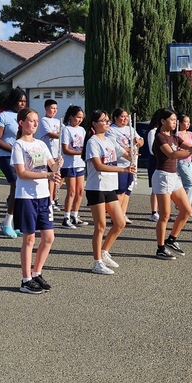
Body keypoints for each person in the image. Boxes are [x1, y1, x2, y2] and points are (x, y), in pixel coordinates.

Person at [11, 107, 58, 294]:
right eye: (31, 120)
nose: (35, 124)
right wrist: (47, 174)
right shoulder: (19, 145)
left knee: (49, 237)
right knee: (29, 239)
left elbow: (51, 164)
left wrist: (56, 169)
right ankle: (25, 279)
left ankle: (37, 272)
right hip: (26, 197)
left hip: (43, 196)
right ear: (21, 123)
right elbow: (21, 173)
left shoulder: (41, 144)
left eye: (37, 120)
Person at [150, 108, 192, 261]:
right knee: (165, 215)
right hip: (162, 176)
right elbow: (172, 154)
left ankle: (171, 240)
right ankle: (160, 248)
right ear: (163, 121)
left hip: (173, 177)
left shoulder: (175, 137)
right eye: (172, 120)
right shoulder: (160, 138)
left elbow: (190, 147)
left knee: (187, 210)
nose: (175, 123)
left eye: (176, 120)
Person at [83, 110, 131, 274]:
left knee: (120, 222)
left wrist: (135, 148)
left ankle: (104, 252)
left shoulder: (111, 141)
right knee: (100, 226)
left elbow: (127, 154)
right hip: (96, 187)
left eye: (108, 120)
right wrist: (123, 169)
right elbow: (98, 166)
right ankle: (97, 263)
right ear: (94, 124)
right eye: (103, 120)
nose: (107, 122)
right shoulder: (92, 142)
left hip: (109, 186)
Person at [0, 89, 27, 237]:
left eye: (24, 101)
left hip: (22, 157)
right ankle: (7, 222)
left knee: (20, 189)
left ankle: (15, 222)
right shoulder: (3, 116)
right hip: (6, 157)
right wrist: (14, 149)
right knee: (16, 185)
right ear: (13, 100)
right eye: (20, 101)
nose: (22, 104)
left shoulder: (25, 116)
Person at [107, 108, 143, 220]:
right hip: (119, 164)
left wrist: (139, 142)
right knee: (120, 190)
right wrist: (129, 149)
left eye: (126, 116)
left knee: (127, 190)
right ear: (115, 118)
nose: (125, 119)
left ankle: (122, 214)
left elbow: (141, 141)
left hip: (131, 163)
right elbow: (113, 145)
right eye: (122, 116)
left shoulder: (130, 128)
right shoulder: (111, 130)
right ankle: (115, 215)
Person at [60, 105, 86, 226]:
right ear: (71, 117)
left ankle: (75, 215)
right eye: (77, 117)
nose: (80, 120)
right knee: (71, 191)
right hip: (69, 164)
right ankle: (66, 217)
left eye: (82, 117)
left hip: (80, 164)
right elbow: (66, 149)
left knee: (80, 191)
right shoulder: (66, 129)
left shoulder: (82, 130)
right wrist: (81, 152)